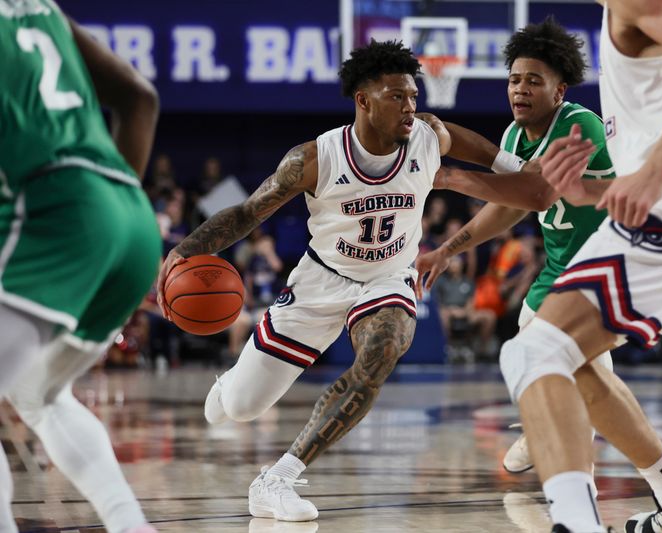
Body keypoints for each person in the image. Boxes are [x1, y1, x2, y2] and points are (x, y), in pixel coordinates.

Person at [155, 40, 553, 523]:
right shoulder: (314, 158)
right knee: (241, 407)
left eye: (412, 95)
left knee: (384, 346)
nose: (410, 107)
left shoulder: (428, 134)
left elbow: (479, 148)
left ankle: (277, 478)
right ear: (363, 100)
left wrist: (515, 168)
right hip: (320, 281)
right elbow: (245, 213)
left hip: (389, 277)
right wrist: (183, 251)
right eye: (396, 96)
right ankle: (231, 386)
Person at [488, 0, 662, 531]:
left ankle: (577, 522)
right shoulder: (627, 18)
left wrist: (657, 171)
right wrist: (584, 190)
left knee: (532, 354)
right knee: (562, 357)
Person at [415, 17, 615, 475]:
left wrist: (447, 176)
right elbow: (509, 208)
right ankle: (562, 439)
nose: (519, 89)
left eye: (533, 81)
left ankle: (576, 471)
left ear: (559, 91)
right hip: (561, 266)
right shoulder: (510, 138)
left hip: (610, 259)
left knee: (572, 364)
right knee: (543, 349)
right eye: (514, 79)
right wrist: (449, 249)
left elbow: (537, 193)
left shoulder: (578, 124)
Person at [1, 2, 161, 532]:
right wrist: (107, 226)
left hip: (57, 210)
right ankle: (130, 525)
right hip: (129, 216)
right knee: (39, 395)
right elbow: (141, 98)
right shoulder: (41, 7)